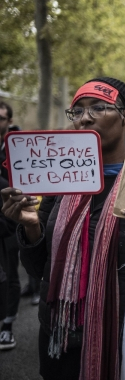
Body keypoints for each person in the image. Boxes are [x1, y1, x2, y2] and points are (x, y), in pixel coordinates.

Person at [1, 77, 125, 379]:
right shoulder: (59, 183)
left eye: (98, 108)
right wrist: (32, 228)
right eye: (77, 111)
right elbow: (40, 272)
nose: (84, 117)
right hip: (59, 339)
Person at [0, 101, 18, 351]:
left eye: (1, 118)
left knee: (10, 272)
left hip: (10, 219)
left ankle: (7, 326)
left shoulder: (16, 149)